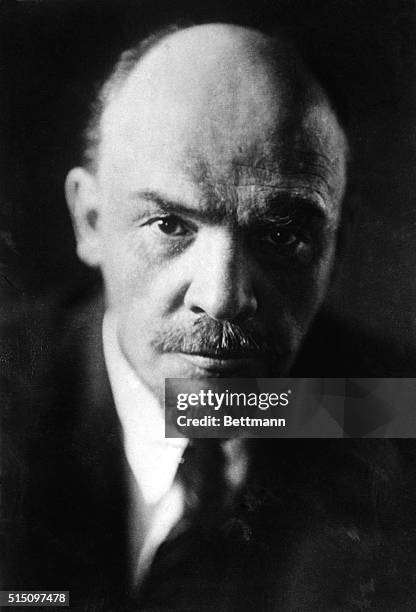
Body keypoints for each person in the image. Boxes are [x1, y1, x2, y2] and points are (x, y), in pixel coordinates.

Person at [2, 21, 415, 611]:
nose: (222, 297)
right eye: (170, 225)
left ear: (336, 246)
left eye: (281, 233)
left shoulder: (389, 417)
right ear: (90, 221)